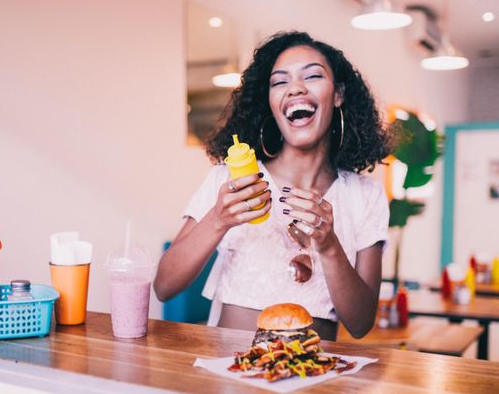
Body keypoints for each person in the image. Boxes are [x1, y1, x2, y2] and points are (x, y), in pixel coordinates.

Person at [154, 31, 393, 340]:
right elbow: (164, 286)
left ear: (338, 94)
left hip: (314, 375)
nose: (295, 88)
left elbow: (360, 324)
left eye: (313, 76)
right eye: (280, 82)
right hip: (230, 373)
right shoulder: (230, 181)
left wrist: (329, 246)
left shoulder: (364, 196)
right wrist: (219, 219)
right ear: (269, 103)